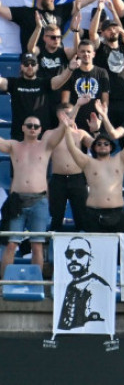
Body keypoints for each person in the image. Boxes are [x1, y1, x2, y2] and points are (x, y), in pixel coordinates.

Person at [0, 112, 67, 275]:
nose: (32, 128)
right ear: (23, 128)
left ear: (40, 130)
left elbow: (63, 128)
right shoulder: (14, 146)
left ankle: (36, 283)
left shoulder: (45, 145)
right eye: (29, 125)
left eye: (36, 126)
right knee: (11, 245)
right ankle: (3, 284)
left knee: (37, 245)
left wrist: (76, 107)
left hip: (39, 201)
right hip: (17, 202)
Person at [64, 104, 124, 233]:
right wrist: (67, 128)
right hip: (93, 215)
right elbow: (71, 148)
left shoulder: (120, 160)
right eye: (99, 144)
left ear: (111, 147)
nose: (102, 146)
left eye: (106, 143)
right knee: (94, 252)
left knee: (118, 252)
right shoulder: (88, 163)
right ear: (94, 147)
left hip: (118, 214)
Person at [57, 236, 113, 332]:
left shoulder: (97, 286)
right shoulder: (70, 285)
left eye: (80, 253)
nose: (73, 258)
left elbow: (97, 327)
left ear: (90, 259)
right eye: (69, 254)